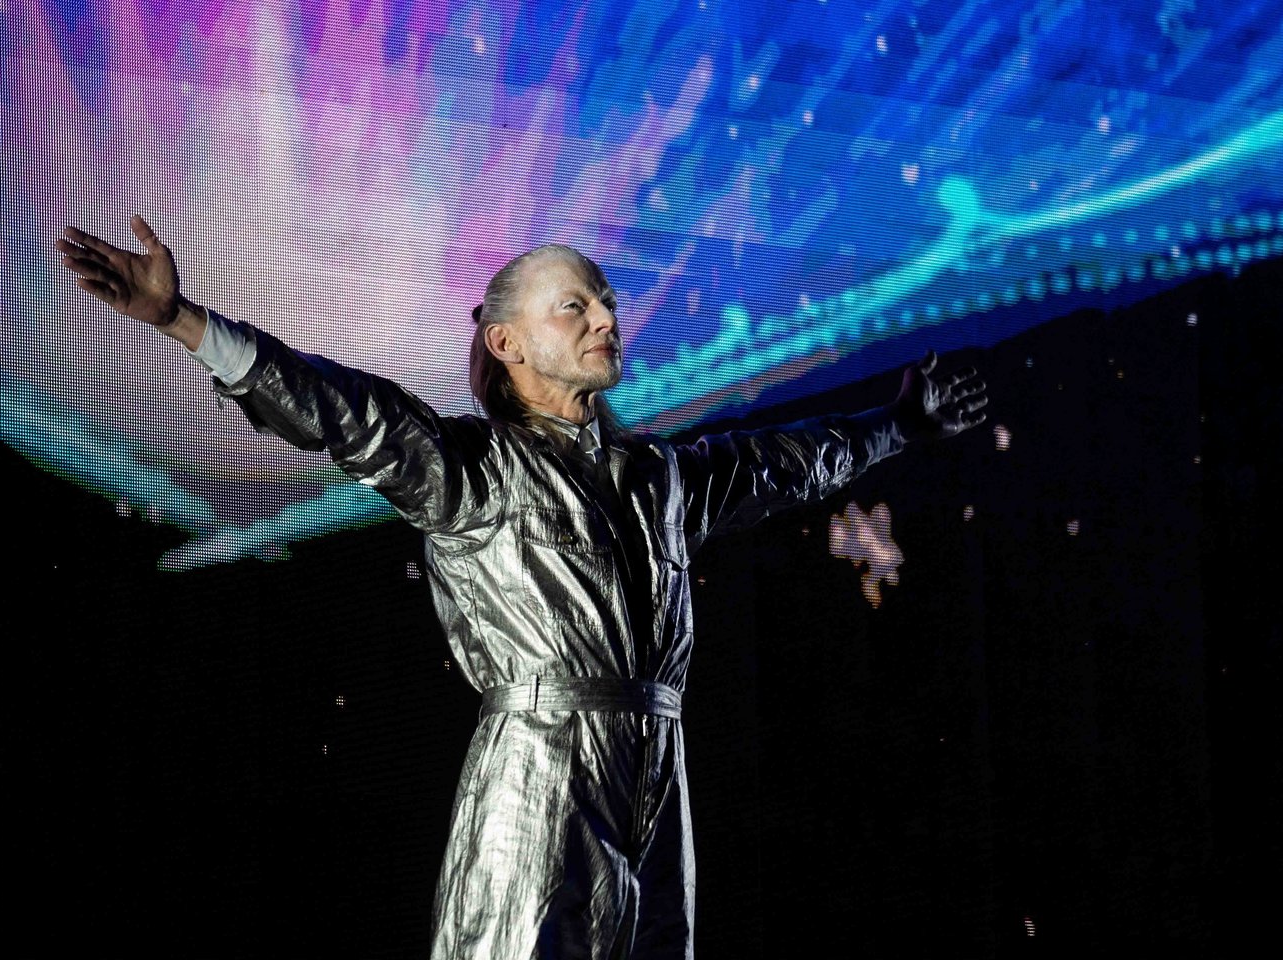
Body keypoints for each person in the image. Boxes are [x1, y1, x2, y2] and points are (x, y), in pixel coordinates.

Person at [55, 214, 988, 959]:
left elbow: (788, 461)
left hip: (656, 770)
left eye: (607, 303)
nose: (606, 320)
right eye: (574, 307)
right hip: (541, 769)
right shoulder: (470, 469)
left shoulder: (662, 478)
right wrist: (184, 320)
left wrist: (901, 423)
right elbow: (342, 412)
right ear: (506, 341)